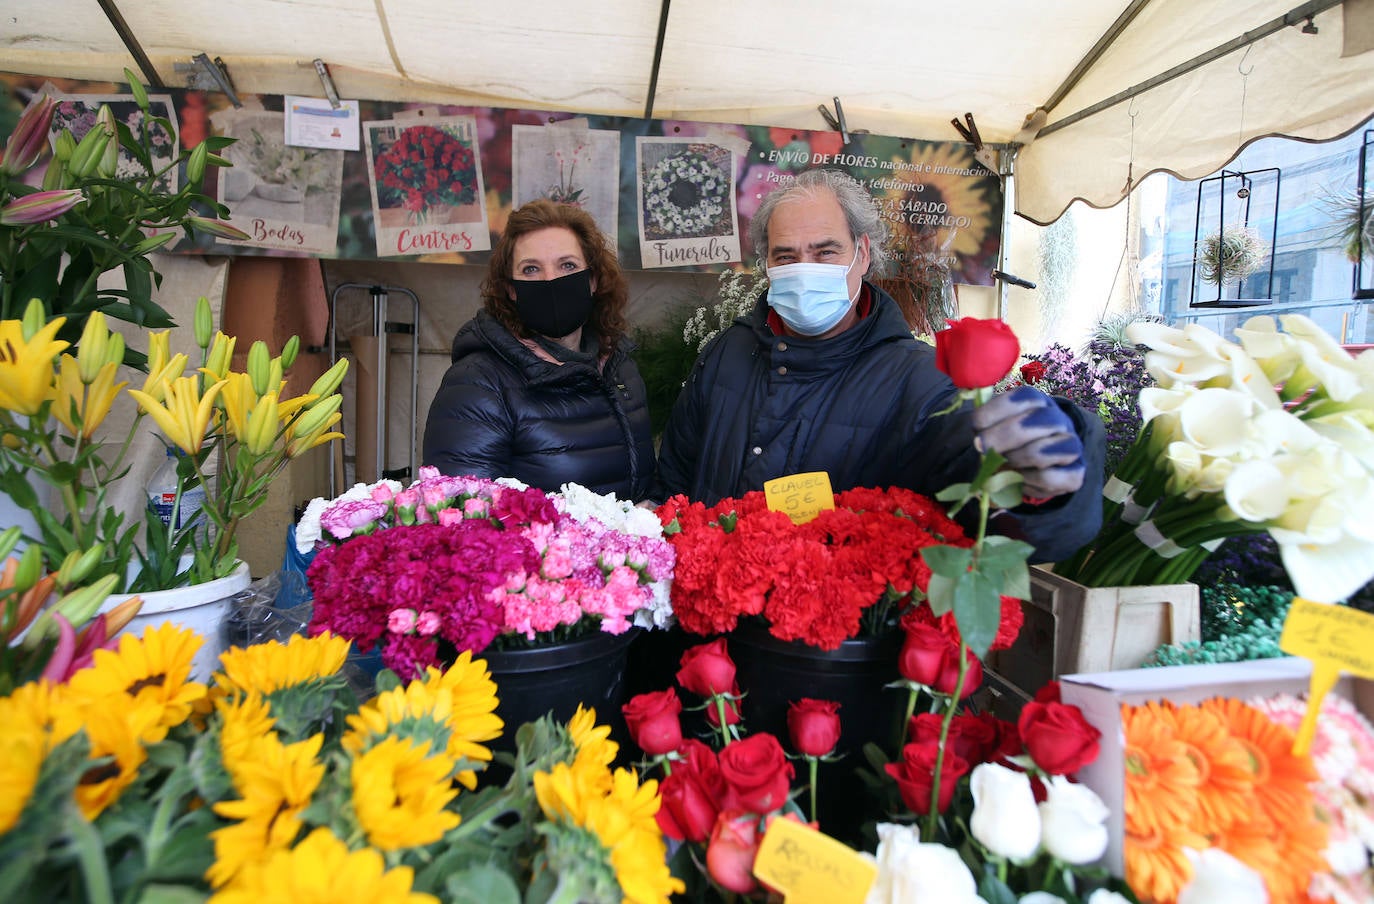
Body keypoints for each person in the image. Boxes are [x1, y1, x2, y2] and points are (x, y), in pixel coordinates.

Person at [653, 169, 1104, 563]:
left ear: (862, 254)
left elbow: (979, 490)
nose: (804, 269)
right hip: (709, 634)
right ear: (767, 263)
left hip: (834, 650)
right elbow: (675, 477)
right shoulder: (727, 353)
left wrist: (1043, 470)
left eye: (826, 252)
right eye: (785, 256)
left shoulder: (920, 380)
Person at [422, 199, 655, 500]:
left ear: (593, 279)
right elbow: (464, 521)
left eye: (567, 265)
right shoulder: (478, 384)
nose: (551, 280)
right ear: (511, 289)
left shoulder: (620, 367)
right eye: (531, 269)